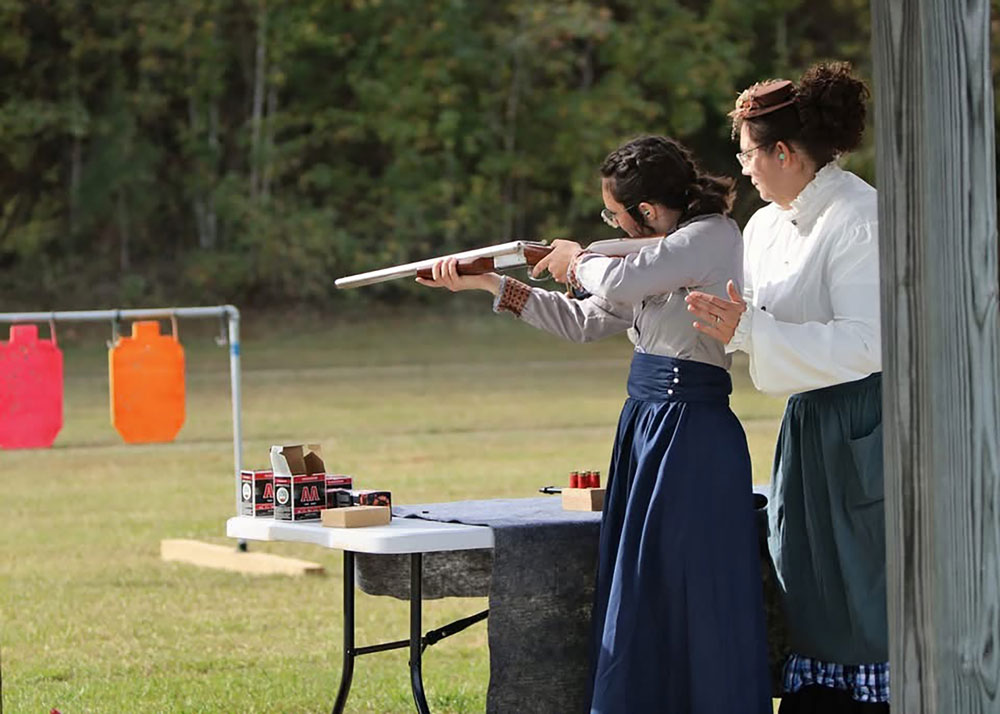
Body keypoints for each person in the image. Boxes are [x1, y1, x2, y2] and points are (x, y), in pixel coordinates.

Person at [418, 135, 771, 713]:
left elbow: (617, 282)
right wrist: (489, 282)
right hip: (648, 424)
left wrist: (576, 259)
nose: (611, 222)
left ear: (649, 212)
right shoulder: (649, 256)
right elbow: (585, 321)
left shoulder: (709, 237)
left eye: (614, 213)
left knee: (695, 589)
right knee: (642, 589)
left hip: (691, 429)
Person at [684, 63, 887, 713]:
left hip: (866, 418)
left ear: (782, 151)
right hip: (806, 417)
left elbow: (866, 344)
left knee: (864, 576)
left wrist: (751, 332)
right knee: (803, 565)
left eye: (747, 153)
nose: (742, 168)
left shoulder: (860, 217)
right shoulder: (766, 225)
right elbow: (749, 318)